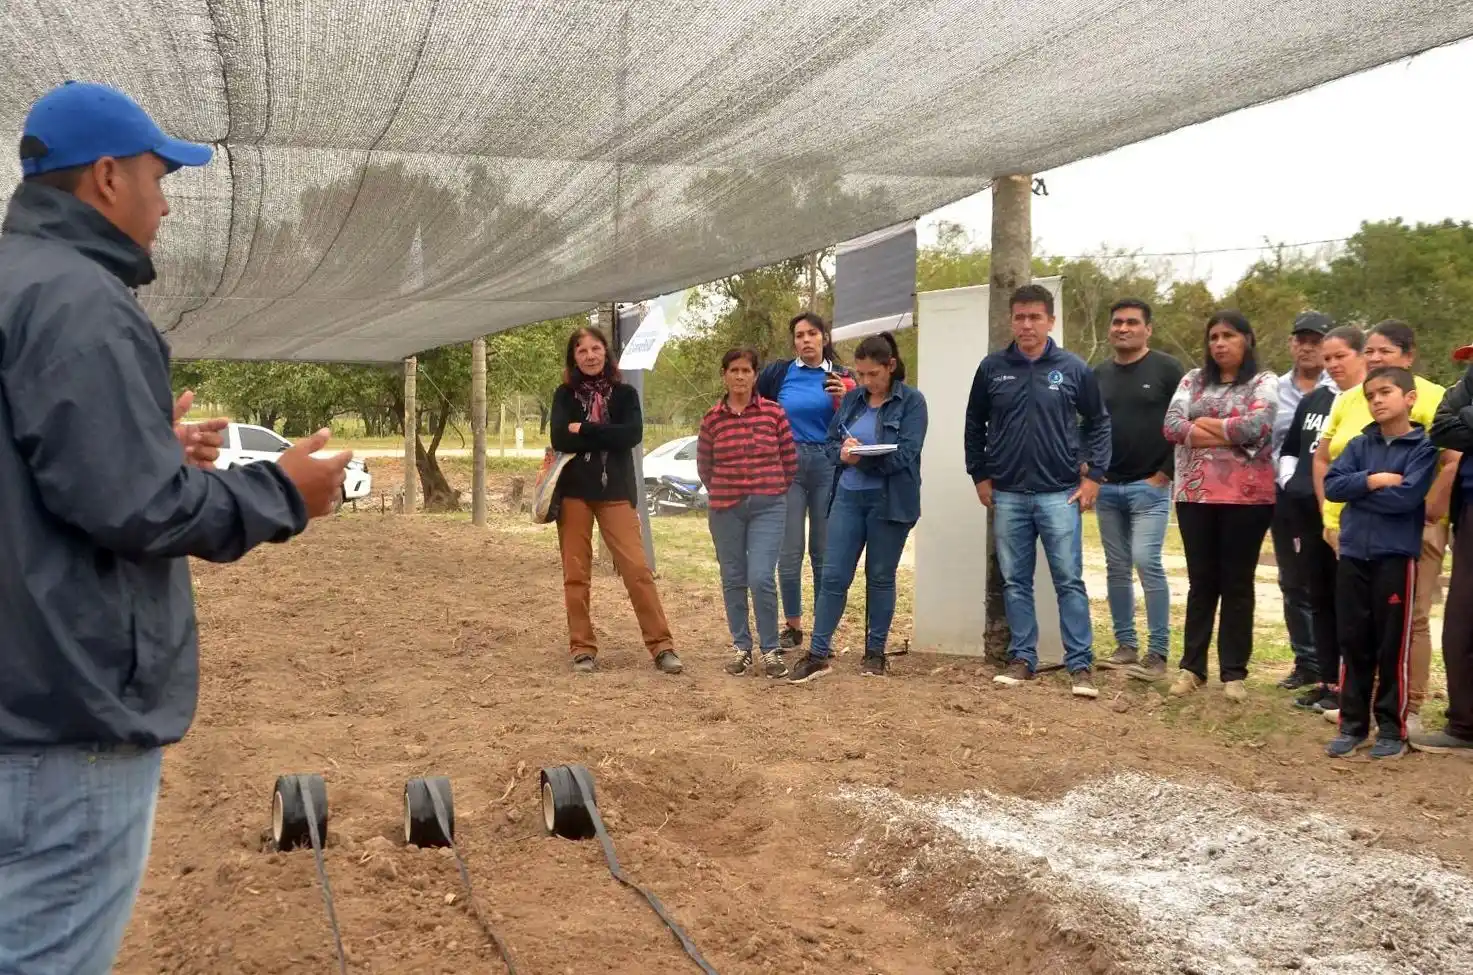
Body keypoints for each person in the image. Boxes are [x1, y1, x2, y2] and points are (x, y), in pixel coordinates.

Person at [0, 81, 351, 975]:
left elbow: (44, 470)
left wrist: (144, 445)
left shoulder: (18, 286)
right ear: (108, 177)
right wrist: (285, 491)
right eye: (160, 176)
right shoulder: (83, 301)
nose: (166, 199)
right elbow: (137, 510)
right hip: (63, 717)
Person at [966, 284, 1111, 698]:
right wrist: (979, 474)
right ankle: (1022, 658)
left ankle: (1080, 664)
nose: (1027, 325)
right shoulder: (992, 369)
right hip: (1008, 494)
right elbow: (974, 425)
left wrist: (1093, 477)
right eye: (1020, 317)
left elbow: (1098, 422)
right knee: (1015, 581)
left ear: (1051, 320)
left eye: (1035, 317)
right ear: (1011, 321)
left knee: (1069, 580)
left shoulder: (1074, 369)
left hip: (1059, 493)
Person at [1315, 320, 1456, 733]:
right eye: (1370, 351)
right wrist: (1332, 509)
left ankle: (1405, 709)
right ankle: (1362, 705)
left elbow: (1448, 460)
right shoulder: (1350, 399)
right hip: (1353, 529)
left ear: (1408, 357)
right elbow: (1328, 462)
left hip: (1410, 529)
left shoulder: (1433, 396)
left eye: (1386, 351)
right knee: (1361, 621)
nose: (1375, 359)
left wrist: (1429, 509)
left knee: (1409, 619)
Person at [787, 333, 927, 683]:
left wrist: (861, 458)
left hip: (889, 500)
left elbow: (906, 454)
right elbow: (831, 444)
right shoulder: (852, 400)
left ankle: (875, 653)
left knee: (880, 577)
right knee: (833, 576)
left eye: (872, 375)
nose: (865, 382)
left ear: (890, 367)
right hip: (847, 497)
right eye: (861, 375)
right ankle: (818, 653)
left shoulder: (912, 402)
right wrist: (843, 453)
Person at [549, 326, 682, 675]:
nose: (590, 356)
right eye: (582, 351)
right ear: (573, 358)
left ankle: (661, 645)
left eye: (596, 349)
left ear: (606, 354)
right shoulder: (564, 396)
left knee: (637, 569)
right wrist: (606, 435)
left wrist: (588, 429)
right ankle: (582, 648)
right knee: (576, 574)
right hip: (575, 493)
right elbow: (561, 438)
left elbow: (632, 435)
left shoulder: (624, 394)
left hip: (616, 493)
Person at [1161, 311, 1278, 701]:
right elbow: (1172, 426)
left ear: (1248, 339)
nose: (1219, 343)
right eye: (1213, 337)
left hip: (1247, 500)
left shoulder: (1264, 381)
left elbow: (1257, 429)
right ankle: (1192, 668)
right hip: (1195, 496)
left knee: (1238, 584)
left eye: (1228, 335)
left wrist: (1203, 424)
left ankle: (1234, 674)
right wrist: (1229, 432)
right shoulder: (1192, 380)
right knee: (1202, 583)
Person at [1322, 366, 1438, 760]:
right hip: (1353, 553)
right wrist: (1372, 481)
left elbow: (1406, 500)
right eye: (1370, 396)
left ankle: (1392, 728)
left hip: (1394, 558)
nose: (1377, 401)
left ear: (1409, 398)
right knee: (1354, 642)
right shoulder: (1358, 444)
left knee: (1392, 646)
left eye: (1385, 392)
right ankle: (1352, 726)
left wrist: (1360, 490)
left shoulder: (1423, 449)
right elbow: (1333, 487)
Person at [1091, 298, 1184, 681]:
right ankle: (1126, 646)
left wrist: (1164, 473)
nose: (1123, 328)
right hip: (1108, 488)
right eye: (1117, 322)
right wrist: (1091, 471)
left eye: (1131, 322)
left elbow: (1183, 424)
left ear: (1148, 328)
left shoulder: (1167, 369)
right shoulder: (1097, 374)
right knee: (1116, 568)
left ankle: (1158, 654)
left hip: (1150, 487)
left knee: (1146, 561)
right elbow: (1088, 425)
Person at [1279, 325, 1366, 716]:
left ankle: (1354, 684)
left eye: (1339, 356)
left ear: (1362, 355)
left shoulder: (1371, 399)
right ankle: (1328, 681)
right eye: (1327, 359)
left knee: (1348, 600)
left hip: (1351, 516)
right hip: (1308, 512)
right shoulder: (1315, 400)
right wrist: (1291, 484)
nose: (1331, 364)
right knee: (1317, 597)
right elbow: (1293, 449)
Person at [756, 312, 855, 652]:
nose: (806, 340)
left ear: (825, 338)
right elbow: (758, 410)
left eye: (812, 333)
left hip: (829, 464)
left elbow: (857, 422)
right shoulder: (780, 373)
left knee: (824, 552)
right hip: (789, 464)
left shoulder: (843, 376)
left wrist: (845, 396)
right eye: (799, 335)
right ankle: (793, 626)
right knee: (790, 550)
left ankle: (822, 630)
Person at [699, 347, 798, 678]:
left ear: (756, 376)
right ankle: (742, 647)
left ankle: (770, 650)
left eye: (746, 370)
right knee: (733, 578)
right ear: (724, 375)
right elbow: (704, 466)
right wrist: (725, 488)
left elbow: (789, 459)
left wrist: (771, 488)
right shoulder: (712, 418)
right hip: (726, 509)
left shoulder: (773, 413)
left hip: (768, 506)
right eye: (734, 370)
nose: (740, 376)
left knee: (760, 577)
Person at [1412, 347, 1473, 754]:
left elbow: (1458, 423)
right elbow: (1443, 428)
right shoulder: (1466, 383)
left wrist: (1467, 416)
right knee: (1463, 623)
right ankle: (1465, 727)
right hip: (1470, 512)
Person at [1269, 311, 1335, 689]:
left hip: (1329, 497)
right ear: (1292, 344)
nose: (1308, 346)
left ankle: (1333, 667)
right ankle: (1306, 662)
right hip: (1284, 494)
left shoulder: (1341, 387)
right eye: (1301, 339)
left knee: (1327, 583)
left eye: (1316, 339)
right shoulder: (1274, 388)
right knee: (1292, 580)